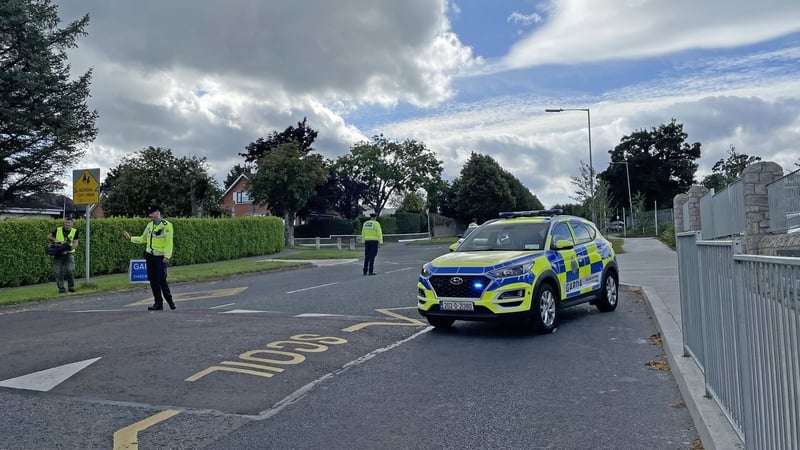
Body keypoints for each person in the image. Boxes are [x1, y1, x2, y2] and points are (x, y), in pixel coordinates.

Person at [122, 205, 176, 311]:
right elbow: (143, 239)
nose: (150, 215)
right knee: (153, 281)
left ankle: (170, 302)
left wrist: (167, 256)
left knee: (161, 280)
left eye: (152, 212)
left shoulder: (167, 225)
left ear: (158, 212)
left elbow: (169, 242)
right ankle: (158, 303)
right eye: (149, 213)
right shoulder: (150, 225)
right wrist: (130, 238)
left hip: (160, 258)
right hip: (150, 256)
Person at [47, 217, 79, 293]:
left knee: (69, 270)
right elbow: (49, 236)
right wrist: (55, 240)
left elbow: (76, 243)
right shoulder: (58, 230)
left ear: (72, 224)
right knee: (58, 271)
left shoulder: (75, 231)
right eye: (65, 223)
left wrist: (69, 249)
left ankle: (71, 287)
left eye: (68, 223)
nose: (67, 225)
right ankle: (61, 289)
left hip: (69, 254)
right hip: (58, 253)